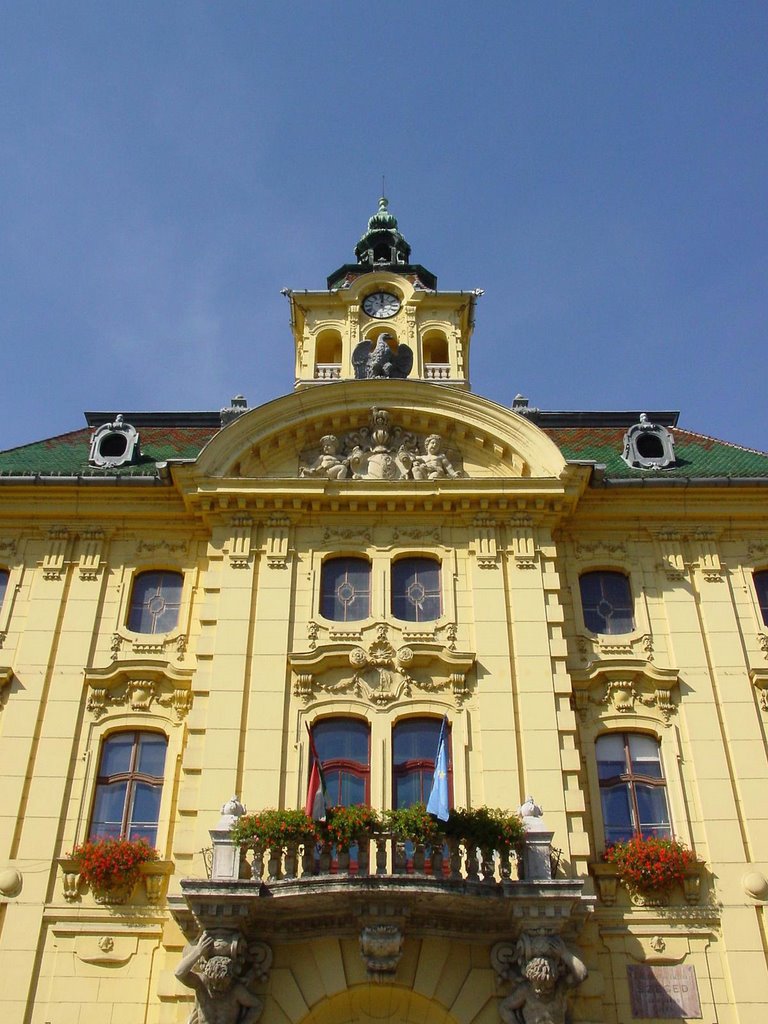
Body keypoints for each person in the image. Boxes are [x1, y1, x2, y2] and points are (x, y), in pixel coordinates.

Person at [175, 932, 263, 1024]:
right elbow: (179, 973)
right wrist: (198, 951)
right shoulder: (201, 983)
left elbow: (257, 1006)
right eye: (215, 983)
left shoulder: (235, 990)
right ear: (208, 977)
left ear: (230, 979)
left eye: (224, 983)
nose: (219, 987)